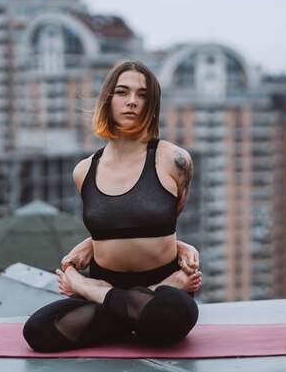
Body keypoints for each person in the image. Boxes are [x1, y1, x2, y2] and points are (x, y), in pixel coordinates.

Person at [23, 60, 202, 352]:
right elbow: (113, 224)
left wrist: (79, 284)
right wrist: (91, 248)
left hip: (163, 293)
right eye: (122, 92)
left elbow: (163, 221)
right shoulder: (84, 171)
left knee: (170, 309)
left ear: (152, 104)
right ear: (108, 98)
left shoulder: (175, 160)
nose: (132, 101)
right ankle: (124, 309)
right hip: (116, 281)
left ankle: (109, 299)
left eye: (143, 94)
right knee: (38, 329)